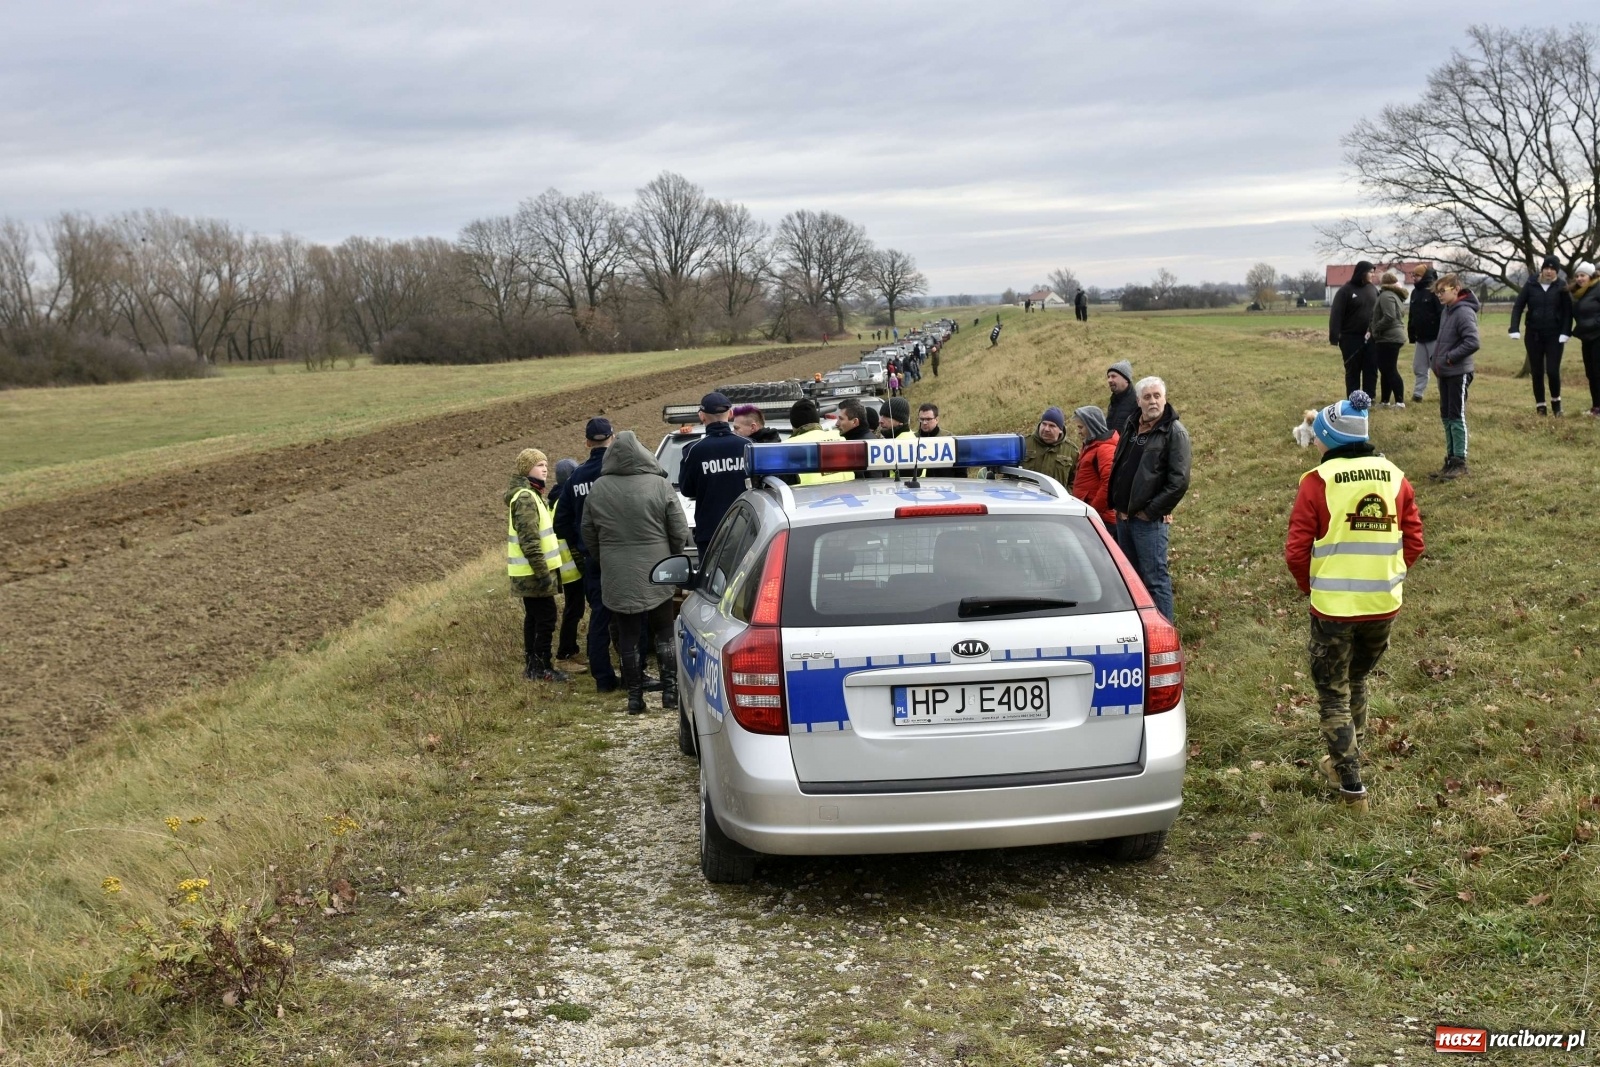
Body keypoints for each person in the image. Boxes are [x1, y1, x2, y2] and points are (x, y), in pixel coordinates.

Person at [1285, 391, 1424, 812]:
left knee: (1332, 693)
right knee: (1357, 680)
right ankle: (1349, 757)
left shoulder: (1317, 482)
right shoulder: (1395, 477)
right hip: (1383, 604)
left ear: (1331, 438)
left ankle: (1350, 783)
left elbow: (1296, 551)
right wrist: (1389, 576)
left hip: (1333, 609)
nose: (1316, 441)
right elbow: (1414, 541)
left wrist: (1312, 587)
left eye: (1319, 435)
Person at [581, 430, 688, 714]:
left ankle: (635, 696)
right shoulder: (659, 484)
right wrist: (673, 555)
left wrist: (604, 557)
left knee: (627, 634)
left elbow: (588, 532)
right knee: (664, 629)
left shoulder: (599, 488)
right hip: (658, 567)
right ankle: (670, 691)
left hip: (617, 570)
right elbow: (678, 529)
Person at [1107, 377, 1191, 622]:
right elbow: (1120, 464)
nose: (1153, 401)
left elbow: (1179, 482)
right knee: (1131, 581)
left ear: (1164, 398)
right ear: (1138, 401)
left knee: (1155, 580)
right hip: (1123, 518)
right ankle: (1139, 631)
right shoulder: (1131, 425)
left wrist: (1151, 511)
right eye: (1147, 396)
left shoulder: (1175, 433)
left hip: (1148, 523)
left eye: (1157, 396)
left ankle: (1164, 636)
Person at [553, 418, 621, 693]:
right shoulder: (620, 472)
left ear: (587, 443)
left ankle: (603, 679)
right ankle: (634, 675)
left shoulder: (577, 477)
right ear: (613, 438)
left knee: (599, 617)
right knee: (632, 615)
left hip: (593, 559)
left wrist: (582, 543)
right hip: (624, 555)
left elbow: (560, 523)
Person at [506, 448, 578, 683]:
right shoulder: (526, 497)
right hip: (533, 572)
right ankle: (542, 667)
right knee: (545, 618)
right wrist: (542, 572)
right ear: (526, 469)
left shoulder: (532, 494)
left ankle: (533, 666)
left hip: (530, 571)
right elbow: (530, 541)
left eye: (546, 464)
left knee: (535, 618)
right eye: (538, 464)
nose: (545, 468)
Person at [677, 391, 747, 557]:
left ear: (702, 416)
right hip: (745, 528)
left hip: (710, 532)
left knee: (711, 581)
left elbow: (686, 490)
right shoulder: (748, 445)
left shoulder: (694, 451)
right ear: (730, 414)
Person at [1509, 254, 1575, 415]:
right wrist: (1514, 328)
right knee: (1537, 372)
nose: (1549, 271)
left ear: (1557, 272)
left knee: (1552, 371)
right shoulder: (1531, 284)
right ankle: (1540, 406)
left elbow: (1568, 312)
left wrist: (1565, 332)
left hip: (1555, 335)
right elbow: (1518, 306)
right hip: (1534, 335)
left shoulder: (1561, 286)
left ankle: (1556, 404)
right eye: (1546, 268)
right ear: (1542, 269)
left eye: (1553, 269)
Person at [1428, 274, 1479, 480]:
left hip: (1458, 373)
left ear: (1456, 289)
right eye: (1437, 292)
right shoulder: (1447, 311)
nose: (1439, 295)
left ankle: (1460, 461)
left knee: (1457, 417)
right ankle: (1450, 460)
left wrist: (1449, 358)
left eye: (1443, 291)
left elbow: (1472, 342)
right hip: (1445, 373)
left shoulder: (1464, 312)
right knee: (1446, 416)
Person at [549, 457, 586, 667]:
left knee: (575, 608)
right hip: (571, 566)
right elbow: (570, 534)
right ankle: (565, 653)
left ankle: (570, 650)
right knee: (574, 609)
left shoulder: (555, 499)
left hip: (567, 565)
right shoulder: (564, 501)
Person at [1328, 261, 1378, 397]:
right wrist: (1334, 337)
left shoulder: (1373, 289)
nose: (1373, 274)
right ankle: (1353, 400)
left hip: (1370, 337)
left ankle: (1369, 398)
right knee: (1353, 371)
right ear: (1362, 273)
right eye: (1370, 272)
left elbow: (1378, 312)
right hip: (1350, 338)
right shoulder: (1345, 291)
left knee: (1371, 369)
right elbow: (1336, 314)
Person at [1070, 406, 1119, 537]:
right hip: (1093, 516)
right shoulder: (1091, 446)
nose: (1078, 432)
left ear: (1091, 426)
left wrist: (1092, 510)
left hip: (1101, 519)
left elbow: (1109, 483)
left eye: (1081, 428)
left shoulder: (1104, 448)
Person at [786, 399, 853, 485]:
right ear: (817, 420)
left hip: (807, 497)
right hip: (848, 495)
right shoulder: (840, 439)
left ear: (793, 423)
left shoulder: (787, 447)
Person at [1369, 272, 1408, 407]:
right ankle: (1385, 401)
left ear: (1384, 282)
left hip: (1388, 338)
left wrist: (1376, 328)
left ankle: (1399, 401)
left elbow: (1389, 316)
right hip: (1391, 337)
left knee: (1389, 369)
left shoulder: (1386, 295)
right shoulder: (1395, 295)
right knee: (1385, 369)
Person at [1406, 264, 1442, 403]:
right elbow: (1412, 315)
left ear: (1424, 276)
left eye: (1417, 275)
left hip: (1435, 337)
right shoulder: (1414, 293)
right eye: (1413, 275)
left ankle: (1444, 394)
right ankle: (1418, 394)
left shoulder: (1435, 291)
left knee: (1438, 368)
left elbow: (1441, 314)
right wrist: (1411, 334)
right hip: (1420, 338)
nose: (1414, 278)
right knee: (1419, 368)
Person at [1569, 262, 1600, 417]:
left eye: (1583, 275)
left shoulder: (1598, 289)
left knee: (1598, 372)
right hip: (1586, 337)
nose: (1579, 278)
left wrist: (1593, 324)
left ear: (1591, 276)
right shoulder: (1580, 293)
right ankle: (1596, 407)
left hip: (1598, 336)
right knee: (1591, 373)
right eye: (1577, 276)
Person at [1019, 406, 1077, 488]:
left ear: (1060, 429)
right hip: (1026, 498)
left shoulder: (1071, 451)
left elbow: (1075, 483)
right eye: (1044, 424)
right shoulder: (1023, 444)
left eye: (1052, 426)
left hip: (1057, 500)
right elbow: (1009, 474)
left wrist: (1065, 496)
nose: (1046, 429)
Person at [915, 403, 967, 477]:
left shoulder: (949, 439)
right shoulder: (913, 440)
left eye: (928, 419)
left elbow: (961, 469)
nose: (924, 423)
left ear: (937, 419)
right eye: (922, 419)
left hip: (946, 485)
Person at [1105, 360, 1138, 434]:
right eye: (1108, 377)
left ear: (1126, 379)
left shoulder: (1137, 402)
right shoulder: (1113, 401)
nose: (1109, 380)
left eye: (1113, 376)